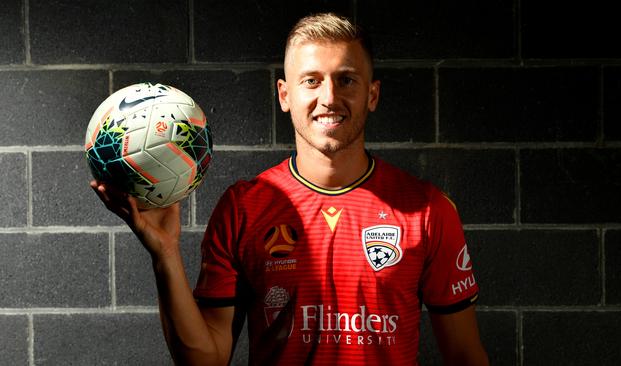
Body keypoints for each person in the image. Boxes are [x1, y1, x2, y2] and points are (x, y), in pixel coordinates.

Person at [91, 13, 488, 366]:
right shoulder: (244, 207)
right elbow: (205, 359)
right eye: (311, 81)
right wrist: (166, 254)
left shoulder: (428, 210)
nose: (329, 97)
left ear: (372, 95)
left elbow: (466, 356)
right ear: (285, 94)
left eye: (346, 79)